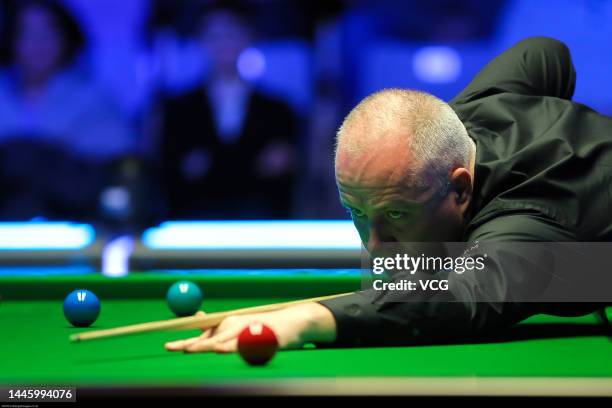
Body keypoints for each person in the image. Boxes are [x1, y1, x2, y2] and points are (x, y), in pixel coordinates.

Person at [165, 37, 611, 353]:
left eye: (396, 214)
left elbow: (464, 297)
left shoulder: (524, 222)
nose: (374, 246)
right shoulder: (466, 117)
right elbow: (546, 53)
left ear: (460, 189)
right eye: (355, 211)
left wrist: (309, 318)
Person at [158, 2, 298, 219]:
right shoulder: (178, 109)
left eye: (231, 34)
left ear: (249, 38)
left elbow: (281, 172)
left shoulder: (277, 109)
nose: (223, 43)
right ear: (201, 40)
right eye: (214, 35)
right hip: (193, 224)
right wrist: (249, 164)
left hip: (260, 224)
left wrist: (213, 165)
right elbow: (173, 171)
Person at [0, 0, 133, 220]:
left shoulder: (94, 101)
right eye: (28, 34)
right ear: (11, 40)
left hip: (76, 234)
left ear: (65, 40)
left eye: (47, 33)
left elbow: (117, 171)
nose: (37, 45)